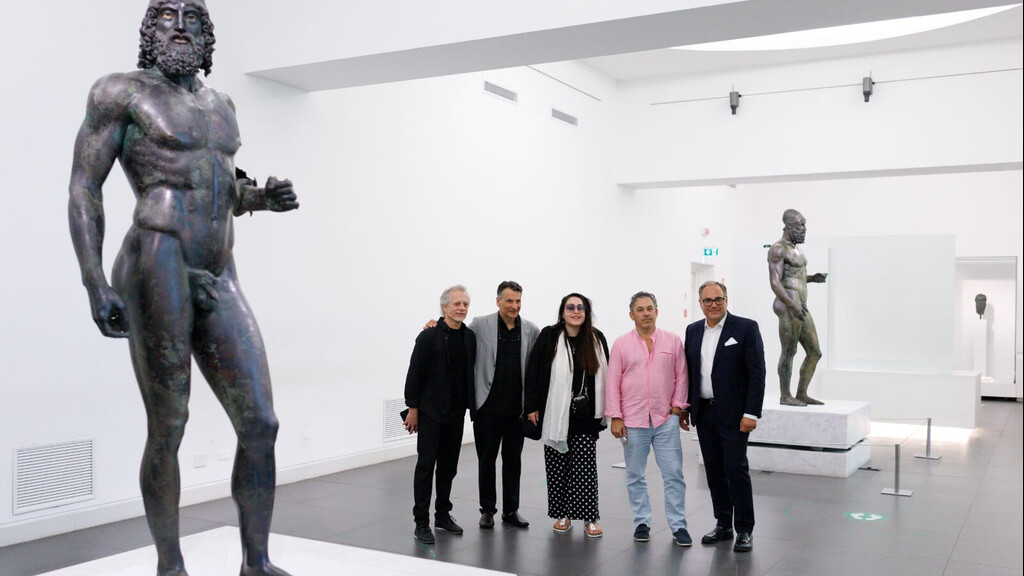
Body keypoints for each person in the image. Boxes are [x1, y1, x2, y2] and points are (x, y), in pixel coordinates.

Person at [67, 3, 298, 575]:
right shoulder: (120, 92)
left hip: (218, 267)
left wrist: (262, 198)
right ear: (149, 30)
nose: (179, 25)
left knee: (261, 423)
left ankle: (256, 562)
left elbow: (219, 189)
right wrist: (94, 281)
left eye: (192, 16)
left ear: (206, 33)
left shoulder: (222, 104)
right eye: (166, 15)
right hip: (156, 258)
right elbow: (84, 187)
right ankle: (170, 565)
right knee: (169, 424)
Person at [682, 281, 766, 553]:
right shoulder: (693, 330)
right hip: (704, 412)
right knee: (714, 470)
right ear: (700, 303)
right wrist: (686, 408)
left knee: (735, 468)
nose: (713, 304)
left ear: (726, 300)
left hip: (735, 415)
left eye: (718, 299)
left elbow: (757, 373)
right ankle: (723, 524)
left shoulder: (745, 328)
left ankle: (744, 529)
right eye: (707, 300)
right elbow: (690, 372)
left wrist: (751, 412)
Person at [606, 292, 691, 547]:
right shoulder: (621, 344)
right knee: (635, 474)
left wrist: (677, 410)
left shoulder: (672, 341)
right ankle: (642, 522)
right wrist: (616, 416)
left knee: (673, 474)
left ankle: (678, 526)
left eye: (650, 308)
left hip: (665, 419)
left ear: (657, 311)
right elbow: (612, 381)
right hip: (632, 421)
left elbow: (682, 376)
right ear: (631, 315)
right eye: (640, 309)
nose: (646, 313)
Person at [524, 293, 609, 538]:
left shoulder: (596, 338)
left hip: (585, 414)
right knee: (557, 466)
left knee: (585, 468)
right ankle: (563, 514)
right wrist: (531, 407)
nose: (575, 311)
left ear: (587, 312)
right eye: (570, 307)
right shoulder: (549, 336)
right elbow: (534, 371)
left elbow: (608, 374)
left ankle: (590, 517)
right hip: (555, 413)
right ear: (562, 312)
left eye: (580, 307)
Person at [404, 285, 476, 544]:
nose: (461, 308)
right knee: (426, 467)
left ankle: (442, 515)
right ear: (444, 307)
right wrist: (412, 409)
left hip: (455, 413)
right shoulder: (428, 336)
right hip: (430, 413)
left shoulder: (469, 337)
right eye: (456, 303)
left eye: (465, 304)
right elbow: (415, 373)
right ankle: (421, 523)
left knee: (448, 468)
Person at [468, 281, 540, 529]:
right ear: (498, 301)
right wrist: (435, 324)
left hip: (515, 412)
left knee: (513, 461)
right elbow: (457, 336)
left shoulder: (530, 330)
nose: (514, 306)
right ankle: (487, 509)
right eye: (509, 301)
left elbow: (535, 370)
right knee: (486, 460)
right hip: (487, 408)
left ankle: (511, 510)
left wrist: (532, 406)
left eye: (518, 301)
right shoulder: (480, 325)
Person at [768, 209, 828, 406]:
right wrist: (791, 303)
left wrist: (812, 278)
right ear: (789, 226)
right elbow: (775, 282)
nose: (804, 229)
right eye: (801, 226)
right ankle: (785, 395)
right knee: (789, 351)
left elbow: (795, 277)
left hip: (800, 305)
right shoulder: (778, 249)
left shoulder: (797, 250)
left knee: (815, 352)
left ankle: (801, 393)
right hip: (788, 304)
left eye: (804, 225)